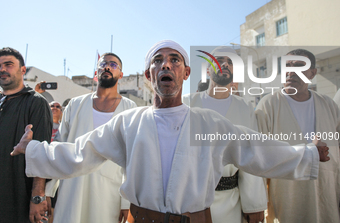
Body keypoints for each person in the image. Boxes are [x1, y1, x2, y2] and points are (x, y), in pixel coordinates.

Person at [11, 40, 330, 223]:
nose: (166, 65)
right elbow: (82, 151)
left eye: (174, 60)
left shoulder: (209, 124)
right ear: (149, 74)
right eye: (158, 61)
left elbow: (257, 150)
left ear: (186, 72)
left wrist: (307, 154)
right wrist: (35, 149)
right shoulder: (129, 122)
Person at [45, 53, 136, 223]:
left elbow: (132, 157)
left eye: (113, 65)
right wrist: (48, 191)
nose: (107, 67)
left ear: (121, 75)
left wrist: (126, 202)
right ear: (96, 71)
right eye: (103, 64)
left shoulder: (129, 108)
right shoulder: (75, 104)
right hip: (73, 189)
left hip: (109, 193)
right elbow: (58, 147)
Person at [255, 49, 340, 223]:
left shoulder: (329, 105)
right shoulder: (268, 105)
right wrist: (257, 204)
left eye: (300, 65)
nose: (291, 71)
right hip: (286, 200)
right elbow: (258, 157)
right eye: (287, 65)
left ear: (313, 73)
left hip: (327, 197)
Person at [183, 46, 266, 223]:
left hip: (231, 203)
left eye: (231, 62)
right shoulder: (187, 103)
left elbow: (251, 155)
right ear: (207, 69)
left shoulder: (245, 108)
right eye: (219, 61)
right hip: (189, 201)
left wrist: (254, 205)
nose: (225, 65)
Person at [0, 47, 52, 223]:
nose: (2, 69)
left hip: (18, 199)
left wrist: (37, 197)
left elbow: (42, 155)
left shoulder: (36, 102)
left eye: (8, 65)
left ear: (23, 70)